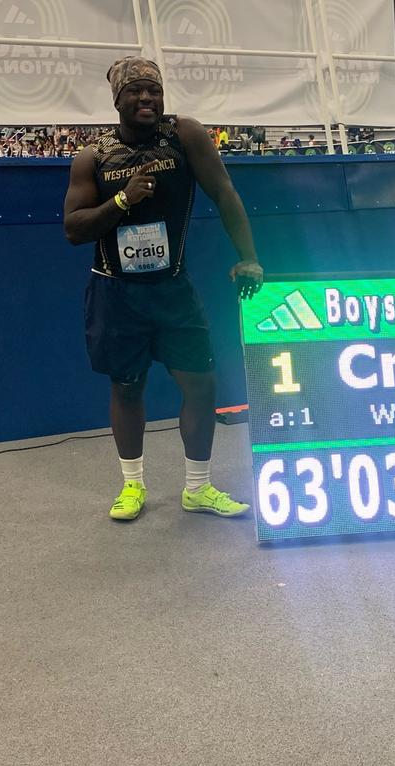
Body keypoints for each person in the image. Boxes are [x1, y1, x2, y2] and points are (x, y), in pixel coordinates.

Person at [63, 56, 264, 521]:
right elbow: (74, 229)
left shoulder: (185, 135)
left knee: (201, 384)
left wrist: (248, 256)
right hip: (116, 293)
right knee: (128, 387)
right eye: (135, 91)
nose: (147, 99)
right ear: (117, 100)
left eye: (153, 90)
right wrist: (122, 199)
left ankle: (198, 488)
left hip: (172, 288)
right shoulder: (92, 156)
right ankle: (132, 486)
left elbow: (225, 192)